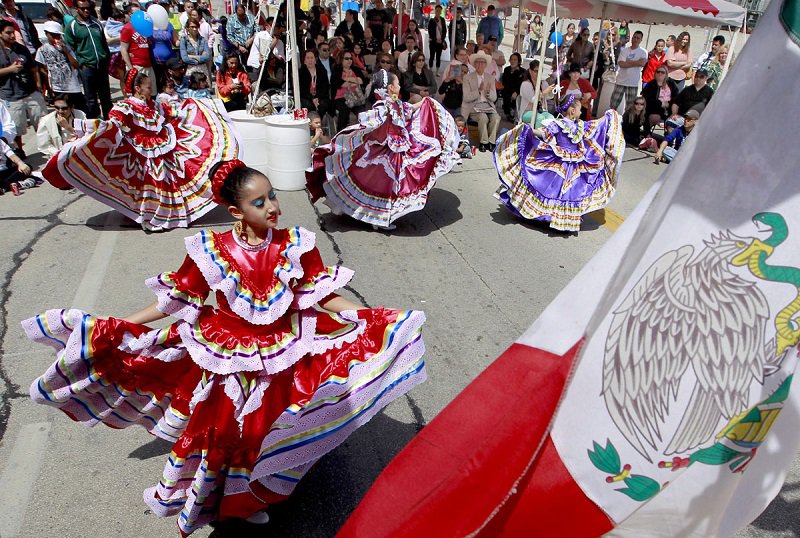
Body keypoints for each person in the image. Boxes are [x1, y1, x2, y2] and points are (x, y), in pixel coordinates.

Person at [24, 159, 427, 537]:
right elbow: (176, 300)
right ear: (236, 211)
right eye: (259, 201)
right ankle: (233, 501)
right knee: (231, 434)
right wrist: (126, 323)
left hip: (284, 350)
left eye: (271, 196)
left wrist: (370, 316)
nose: (272, 206)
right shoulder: (210, 250)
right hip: (228, 354)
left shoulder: (297, 244)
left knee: (271, 428)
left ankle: (262, 489)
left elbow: (324, 296)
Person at [41, 69, 242, 230]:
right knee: (150, 186)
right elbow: (110, 125)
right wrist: (76, 127)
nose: (150, 90)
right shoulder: (125, 106)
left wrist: (197, 106)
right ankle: (152, 216)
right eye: (147, 87)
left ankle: (171, 215)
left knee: (168, 183)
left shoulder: (154, 105)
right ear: (137, 88)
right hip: (141, 151)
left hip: (163, 147)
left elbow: (172, 112)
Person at [307, 68, 460, 230]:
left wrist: (425, 102)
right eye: (398, 83)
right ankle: (372, 217)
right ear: (391, 88)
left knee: (385, 188)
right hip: (382, 154)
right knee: (380, 187)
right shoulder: (383, 106)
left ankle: (375, 218)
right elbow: (372, 123)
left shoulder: (395, 104)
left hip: (392, 153)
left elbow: (411, 109)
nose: (400, 86)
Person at [493, 93, 624, 233]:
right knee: (556, 190)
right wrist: (528, 130)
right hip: (558, 161)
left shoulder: (581, 126)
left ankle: (556, 217)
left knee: (568, 191)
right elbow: (544, 133)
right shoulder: (558, 124)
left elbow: (597, 126)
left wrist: (609, 117)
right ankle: (549, 216)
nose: (581, 112)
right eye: (580, 109)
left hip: (575, 162)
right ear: (573, 111)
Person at [0, 19, 46, 154]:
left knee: (43, 122)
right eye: (8, 33)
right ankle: (19, 152)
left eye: (13, 32)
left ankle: (48, 147)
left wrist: (38, 85)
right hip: (10, 96)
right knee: (16, 129)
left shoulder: (21, 48)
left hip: (31, 92)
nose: (12, 36)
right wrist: (10, 70)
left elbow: (33, 68)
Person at [35, 21, 87, 114]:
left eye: (58, 35)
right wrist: (49, 88)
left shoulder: (66, 47)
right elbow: (43, 69)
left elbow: (76, 65)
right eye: (53, 35)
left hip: (73, 87)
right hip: (57, 88)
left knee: (81, 110)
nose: (56, 38)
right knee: (63, 111)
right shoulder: (42, 50)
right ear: (47, 34)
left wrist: (66, 51)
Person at [462, 50, 499, 152]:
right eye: (478, 62)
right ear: (474, 64)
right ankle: (484, 142)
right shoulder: (468, 78)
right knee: (483, 118)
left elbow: (494, 97)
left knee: (496, 118)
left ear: (486, 64)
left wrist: (487, 93)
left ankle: (491, 142)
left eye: (482, 62)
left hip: (488, 105)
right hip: (474, 106)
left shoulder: (490, 78)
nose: (480, 64)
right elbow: (466, 97)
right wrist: (478, 90)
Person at [36, 94, 86, 158]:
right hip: (59, 157)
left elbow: (87, 136)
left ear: (72, 108)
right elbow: (43, 146)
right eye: (56, 108)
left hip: (80, 153)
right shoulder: (45, 121)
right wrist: (61, 154)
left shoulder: (80, 115)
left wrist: (68, 128)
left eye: (64, 108)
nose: (60, 111)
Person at [609, 30, 647, 111]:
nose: (635, 39)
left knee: (630, 107)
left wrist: (629, 62)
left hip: (633, 83)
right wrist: (636, 63)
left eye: (638, 38)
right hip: (621, 81)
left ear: (641, 40)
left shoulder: (643, 52)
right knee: (613, 104)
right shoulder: (625, 50)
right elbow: (621, 64)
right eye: (634, 37)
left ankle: (627, 122)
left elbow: (643, 63)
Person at [331, 50, 368, 131]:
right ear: (341, 59)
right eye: (346, 59)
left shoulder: (356, 69)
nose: (349, 61)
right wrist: (355, 81)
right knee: (344, 110)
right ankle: (341, 132)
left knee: (362, 112)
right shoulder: (337, 69)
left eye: (350, 58)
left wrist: (347, 79)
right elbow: (338, 83)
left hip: (356, 97)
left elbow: (362, 81)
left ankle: (362, 133)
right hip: (341, 97)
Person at [120, 13, 156, 94]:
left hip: (148, 64)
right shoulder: (127, 28)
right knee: (139, 93)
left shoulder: (144, 26)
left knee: (150, 93)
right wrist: (130, 67)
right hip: (137, 65)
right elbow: (123, 48)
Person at [518, 59, 557, 127]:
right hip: (527, 112)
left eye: (540, 71)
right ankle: (536, 135)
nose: (538, 73)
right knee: (539, 118)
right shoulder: (525, 84)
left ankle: (545, 136)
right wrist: (544, 92)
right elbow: (533, 100)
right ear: (530, 71)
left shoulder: (544, 83)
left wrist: (551, 91)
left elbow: (549, 97)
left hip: (541, 111)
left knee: (551, 118)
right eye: (536, 71)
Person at [641, 64, 678, 133]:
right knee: (654, 118)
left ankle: (669, 140)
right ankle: (648, 135)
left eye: (662, 72)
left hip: (670, 109)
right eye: (658, 72)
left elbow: (676, 98)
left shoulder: (671, 84)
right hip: (654, 110)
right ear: (655, 73)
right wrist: (661, 103)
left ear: (666, 74)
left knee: (672, 122)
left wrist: (669, 104)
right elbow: (647, 100)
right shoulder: (651, 85)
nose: (660, 73)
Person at [300, 48, 331, 119]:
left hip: (320, 96)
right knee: (308, 105)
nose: (310, 60)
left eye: (312, 58)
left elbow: (325, 87)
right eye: (307, 58)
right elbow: (301, 89)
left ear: (315, 59)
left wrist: (317, 98)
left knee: (323, 105)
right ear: (304, 60)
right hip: (306, 97)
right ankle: (311, 123)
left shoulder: (322, 71)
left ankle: (318, 123)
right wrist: (312, 99)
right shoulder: (301, 72)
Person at [438, 46, 467, 116]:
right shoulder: (455, 65)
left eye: (465, 55)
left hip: (457, 103)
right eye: (461, 55)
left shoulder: (463, 66)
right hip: (448, 98)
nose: (464, 57)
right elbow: (441, 90)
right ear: (456, 56)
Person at [151, 18, 178, 92]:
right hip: (154, 61)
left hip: (168, 60)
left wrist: (182, 41)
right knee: (157, 83)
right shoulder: (149, 25)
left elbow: (175, 42)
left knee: (169, 83)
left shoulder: (169, 25)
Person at [500, 52, 524, 120]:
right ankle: (508, 112)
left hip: (517, 91)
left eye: (515, 60)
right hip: (507, 90)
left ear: (518, 61)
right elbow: (505, 82)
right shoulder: (507, 69)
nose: (513, 61)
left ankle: (513, 112)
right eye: (511, 59)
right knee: (506, 95)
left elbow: (521, 85)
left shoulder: (522, 71)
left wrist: (516, 92)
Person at [427, 4, 446, 71]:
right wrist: (434, 39)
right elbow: (430, 31)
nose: (438, 12)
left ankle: (437, 71)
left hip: (440, 42)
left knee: (438, 56)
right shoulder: (432, 20)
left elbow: (444, 30)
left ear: (441, 12)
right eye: (437, 11)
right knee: (432, 56)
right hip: (433, 41)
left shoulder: (442, 20)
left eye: (439, 11)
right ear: (435, 11)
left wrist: (442, 39)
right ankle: (430, 69)